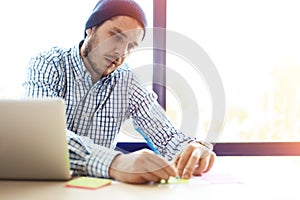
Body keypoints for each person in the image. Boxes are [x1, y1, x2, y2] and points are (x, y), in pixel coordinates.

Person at [22, 0, 216, 184]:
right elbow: (40, 136)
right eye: (116, 36)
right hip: (44, 188)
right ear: (90, 29)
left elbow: (167, 137)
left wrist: (193, 150)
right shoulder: (49, 64)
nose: (121, 53)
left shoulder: (127, 81)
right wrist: (116, 163)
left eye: (131, 47)